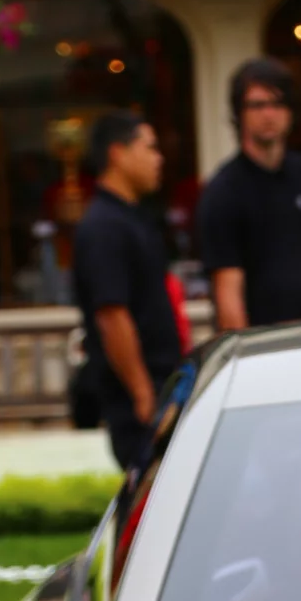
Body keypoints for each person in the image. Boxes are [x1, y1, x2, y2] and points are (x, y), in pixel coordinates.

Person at [71, 112, 182, 473]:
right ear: (118, 154)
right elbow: (111, 315)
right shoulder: (103, 226)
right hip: (138, 400)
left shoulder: (134, 217)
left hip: (164, 384)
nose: (158, 158)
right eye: (149, 148)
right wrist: (142, 393)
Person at [198, 57, 301, 331]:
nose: (269, 114)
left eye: (277, 103)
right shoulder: (223, 191)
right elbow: (227, 290)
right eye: (257, 105)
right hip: (260, 342)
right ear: (239, 113)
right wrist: (245, 349)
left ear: (290, 112)